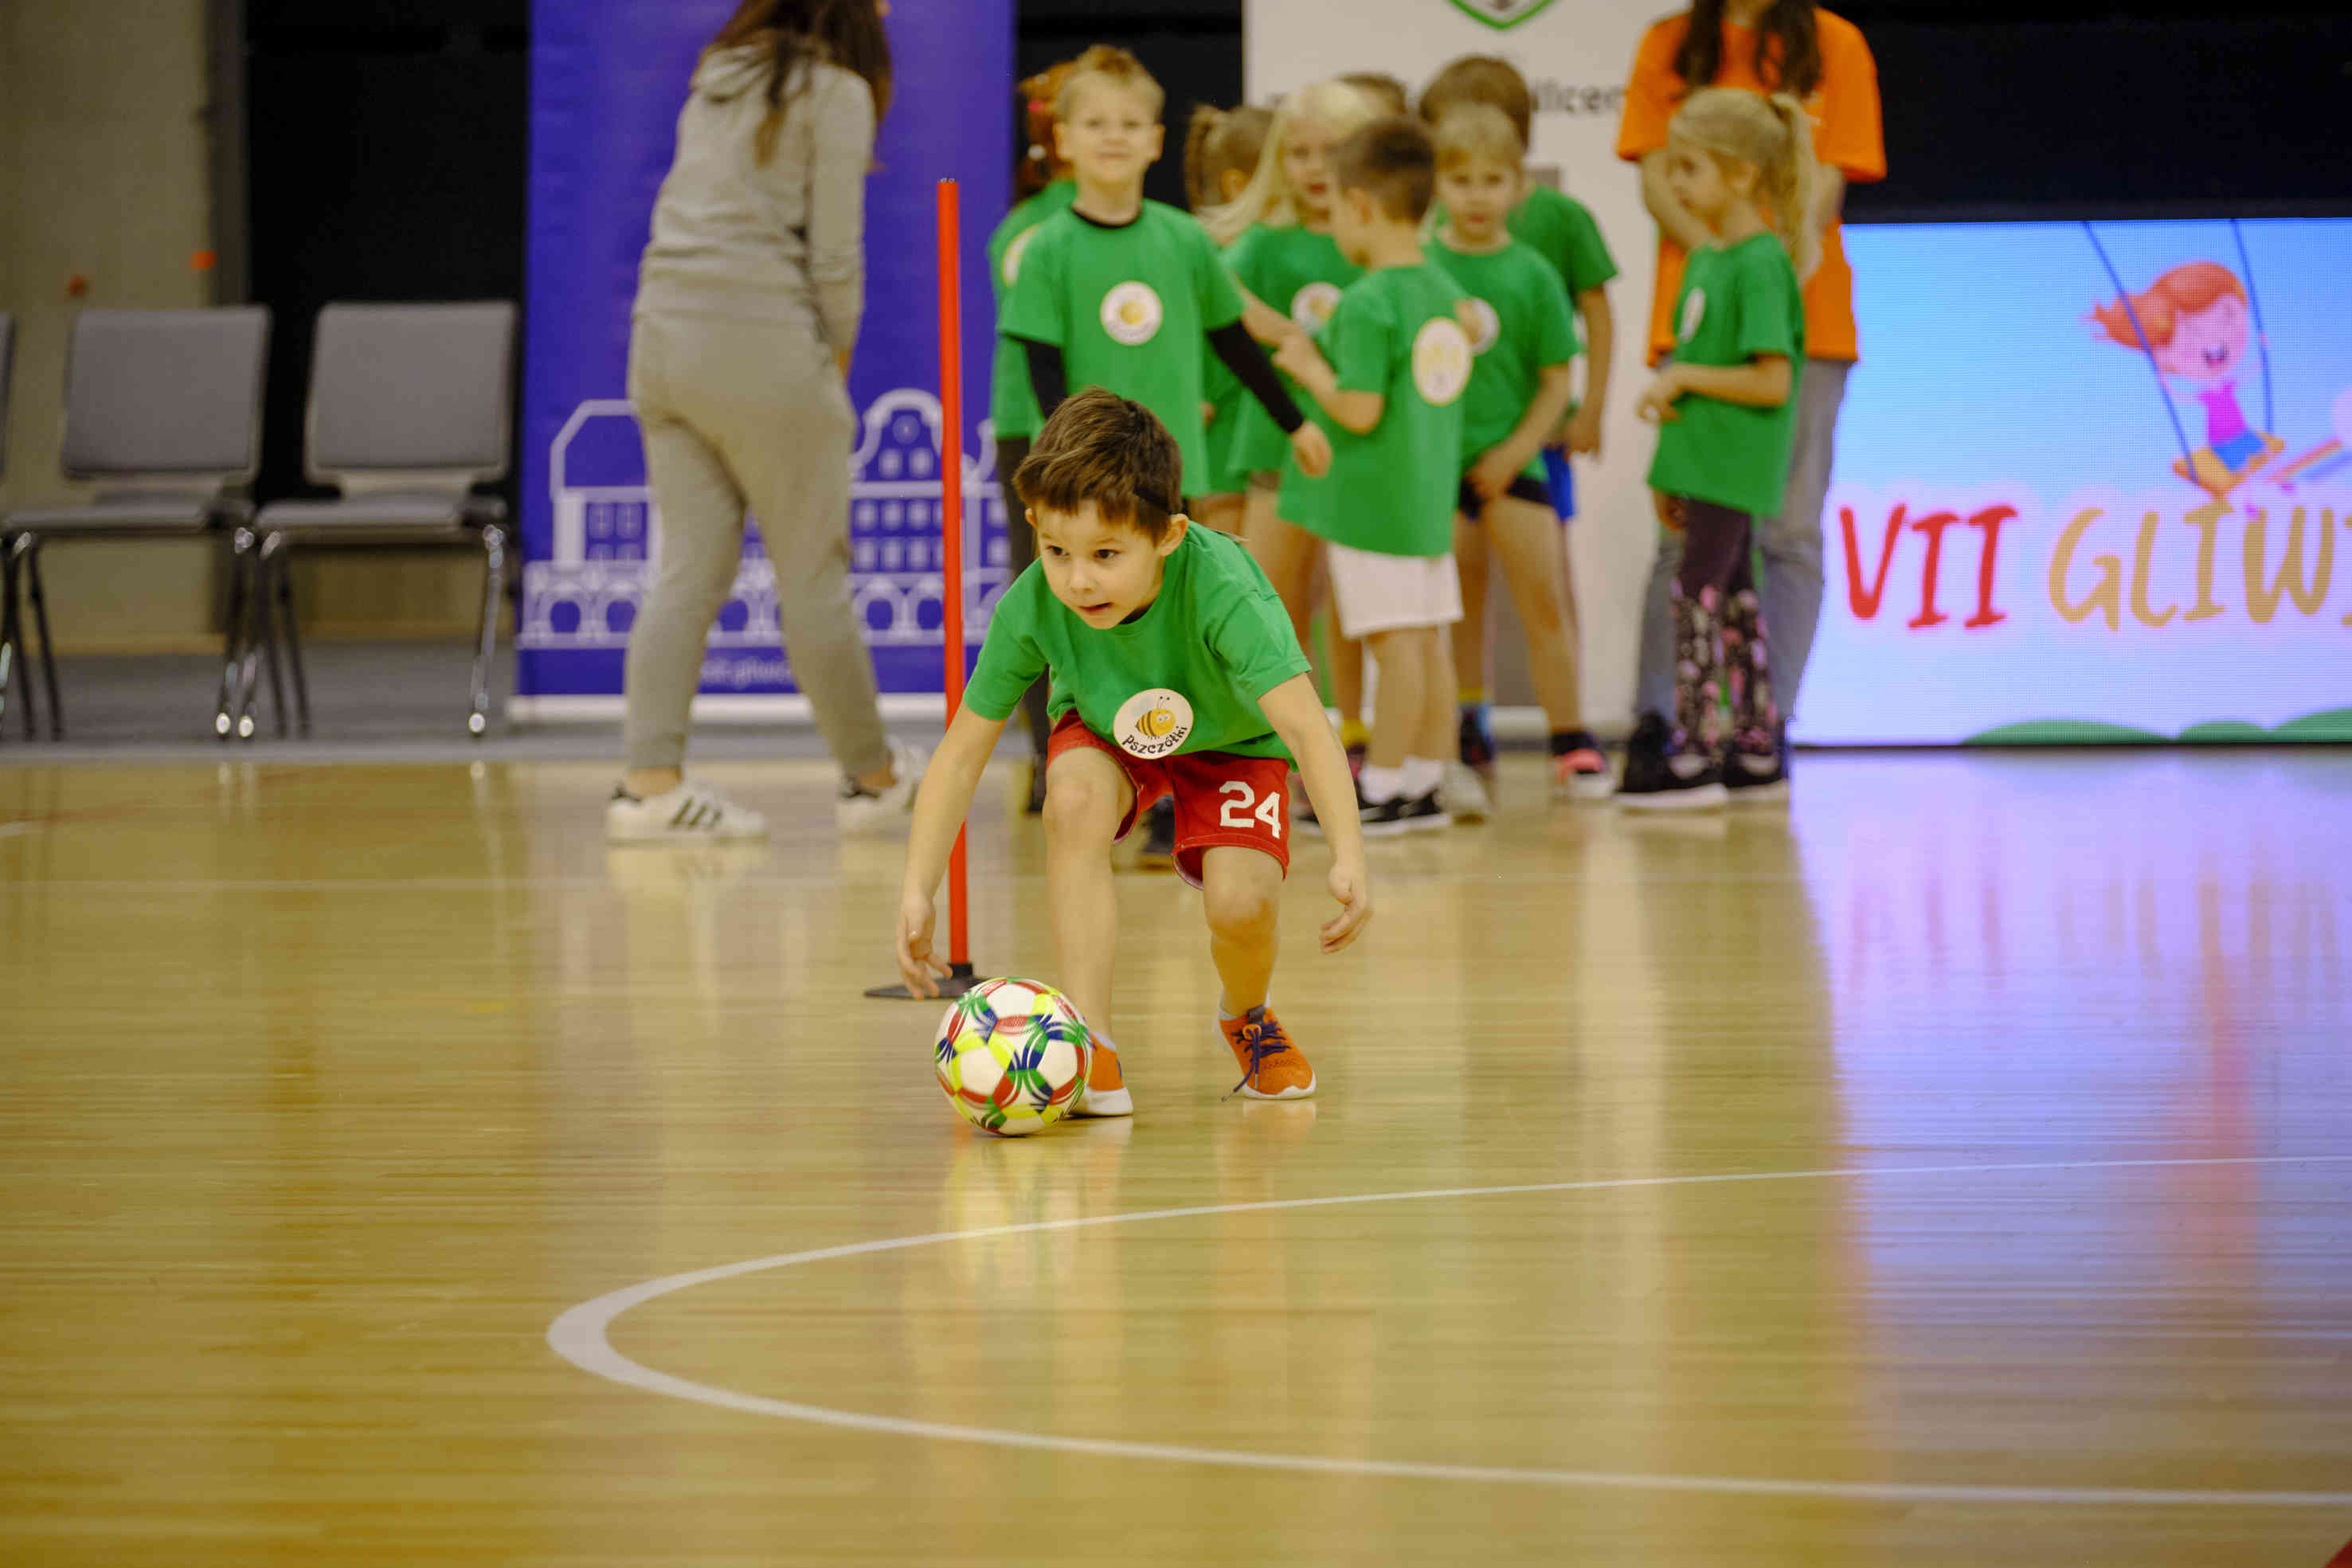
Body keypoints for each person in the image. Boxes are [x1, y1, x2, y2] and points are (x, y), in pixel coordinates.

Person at [894, 389, 1372, 1111]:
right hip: (1108, 730)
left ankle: (1246, 1015)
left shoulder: (1225, 589)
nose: (1078, 579)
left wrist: (1349, 853)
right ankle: (1093, 1044)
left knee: (1240, 909)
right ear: (1033, 524)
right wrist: (916, 888)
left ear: (1169, 535)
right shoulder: (1034, 601)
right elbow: (962, 752)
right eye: (1056, 550)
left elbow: (1306, 726)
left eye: (1106, 554)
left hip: (1233, 743)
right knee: (1073, 800)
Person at [1003, 45, 1332, 870]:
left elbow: (1235, 339)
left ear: (1155, 140)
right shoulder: (1046, 250)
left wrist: (1294, 422)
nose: (1112, 138)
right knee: (1081, 630)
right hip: (1088, 493)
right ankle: (1075, 777)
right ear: (1064, 141)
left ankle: (1169, 798)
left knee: (1173, 639)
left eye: (1129, 124)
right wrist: (1063, 481)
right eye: (1094, 124)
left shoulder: (1185, 241)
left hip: (1164, 483)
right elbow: (1042, 370)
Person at [607, 0, 922, 844]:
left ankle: (651, 789)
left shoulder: (717, 73)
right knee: (812, 577)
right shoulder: (838, 90)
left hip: (662, 337)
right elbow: (834, 255)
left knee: (686, 571)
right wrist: (836, 360)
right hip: (763, 341)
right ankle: (874, 778)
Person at [1617, 0, 1884, 789]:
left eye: (1695, 166)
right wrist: (1720, 263)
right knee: (1690, 552)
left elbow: (1821, 179)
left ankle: (1755, 733)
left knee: (1786, 536)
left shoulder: (1836, 42)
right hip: (1701, 328)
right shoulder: (1668, 43)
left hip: (1811, 324)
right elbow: (1653, 181)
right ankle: (1666, 723)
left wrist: (1745, 265)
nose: (1680, 176)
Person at [1418, 55, 1620, 785]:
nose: (1476, 196)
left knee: (1543, 601)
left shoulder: (1533, 272)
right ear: (1435, 182)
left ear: (1519, 184)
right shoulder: (1418, 265)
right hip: (1440, 469)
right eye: (1459, 179)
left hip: (1519, 465)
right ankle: (1465, 728)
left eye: (1492, 180)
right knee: (1455, 601)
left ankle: (1570, 733)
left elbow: (1553, 378)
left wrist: (1515, 452)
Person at [1271, 117, 1473, 835]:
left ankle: (1383, 785)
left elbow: (1357, 409)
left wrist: (1309, 367)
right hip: (1423, 496)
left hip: (1371, 502)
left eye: (1332, 211)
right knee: (1423, 642)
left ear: (1358, 204)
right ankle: (1425, 776)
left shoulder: (1367, 300)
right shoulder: (1440, 289)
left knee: (1394, 645)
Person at [1622, 88, 1814, 809]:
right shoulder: (1705, 259)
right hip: (1699, 462)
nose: (1674, 184)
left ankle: (1697, 750)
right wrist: (1666, 466)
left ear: (1740, 175)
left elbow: (1770, 380)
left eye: (1689, 168)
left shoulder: (1760, 262)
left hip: (1734, 465)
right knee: (1731, 598)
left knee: (1695, 598)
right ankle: (1754, 747)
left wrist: (1683, 376)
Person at [1200, 80, 1384, 771]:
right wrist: (1286, 336)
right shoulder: (1265, 243)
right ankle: (1262, 753)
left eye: (1331, 151)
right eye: (1299, 152)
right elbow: (1217, 290)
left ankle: (1354, 740)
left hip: (1361, 452)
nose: (1313, 167)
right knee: (1267, 610)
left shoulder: (1375, 243)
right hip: (1275, 448)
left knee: (1353, 606)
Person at [988, 60, 1081, 815]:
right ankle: (1054, 757)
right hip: (1038, 430)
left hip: (1114, 425)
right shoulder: (1031, 230)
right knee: (1049, 590)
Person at [1185, 102, 1276, 540]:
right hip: (1223, 465)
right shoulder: (1217, 266)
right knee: (1230, 589)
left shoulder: (1280, 259)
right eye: (1282, 184)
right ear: (1239, 184)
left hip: (1270, 459)